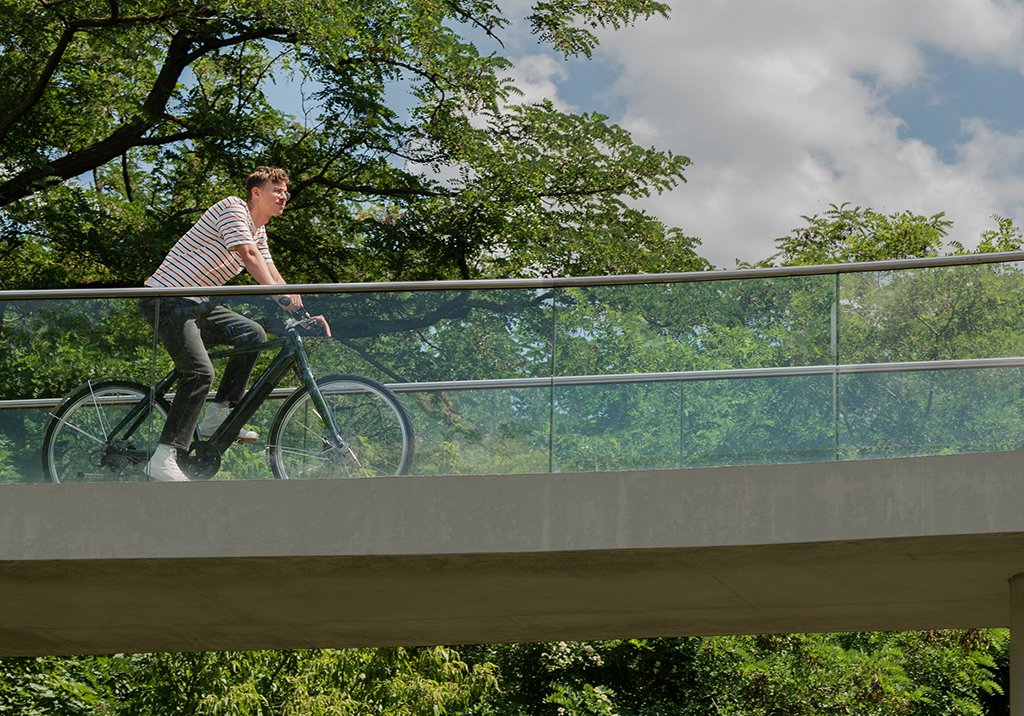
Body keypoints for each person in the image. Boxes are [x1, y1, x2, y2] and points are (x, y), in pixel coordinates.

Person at [138, 166, 330, 481]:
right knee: (199, 373)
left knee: (252, 333)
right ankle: (163, 456)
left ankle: (219, 415)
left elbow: (273, 275)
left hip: (197, 305)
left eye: (286, 192)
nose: (284, 197)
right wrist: (281, 299)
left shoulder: (259, 230)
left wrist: (302, 314)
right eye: (277, 190)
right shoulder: (232, 208)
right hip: (168, 300)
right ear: (256, 192)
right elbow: (248, 255)